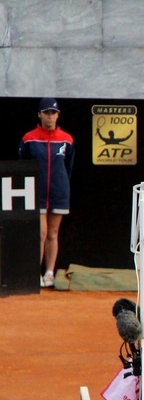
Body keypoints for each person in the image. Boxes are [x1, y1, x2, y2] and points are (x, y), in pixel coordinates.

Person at [18, 97, 74, 290]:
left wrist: (61, 184)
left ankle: (49, 272)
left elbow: (68, 167)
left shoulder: (66, 139)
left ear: (58, 115)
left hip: (58, 192)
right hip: (37, 191)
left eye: (54, 113)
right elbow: (22, 165)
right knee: (40, 233)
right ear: (40, 114)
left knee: (53, 233)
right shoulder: (29, 138)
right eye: (47, 112)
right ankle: (35, 273)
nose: (50, 117)